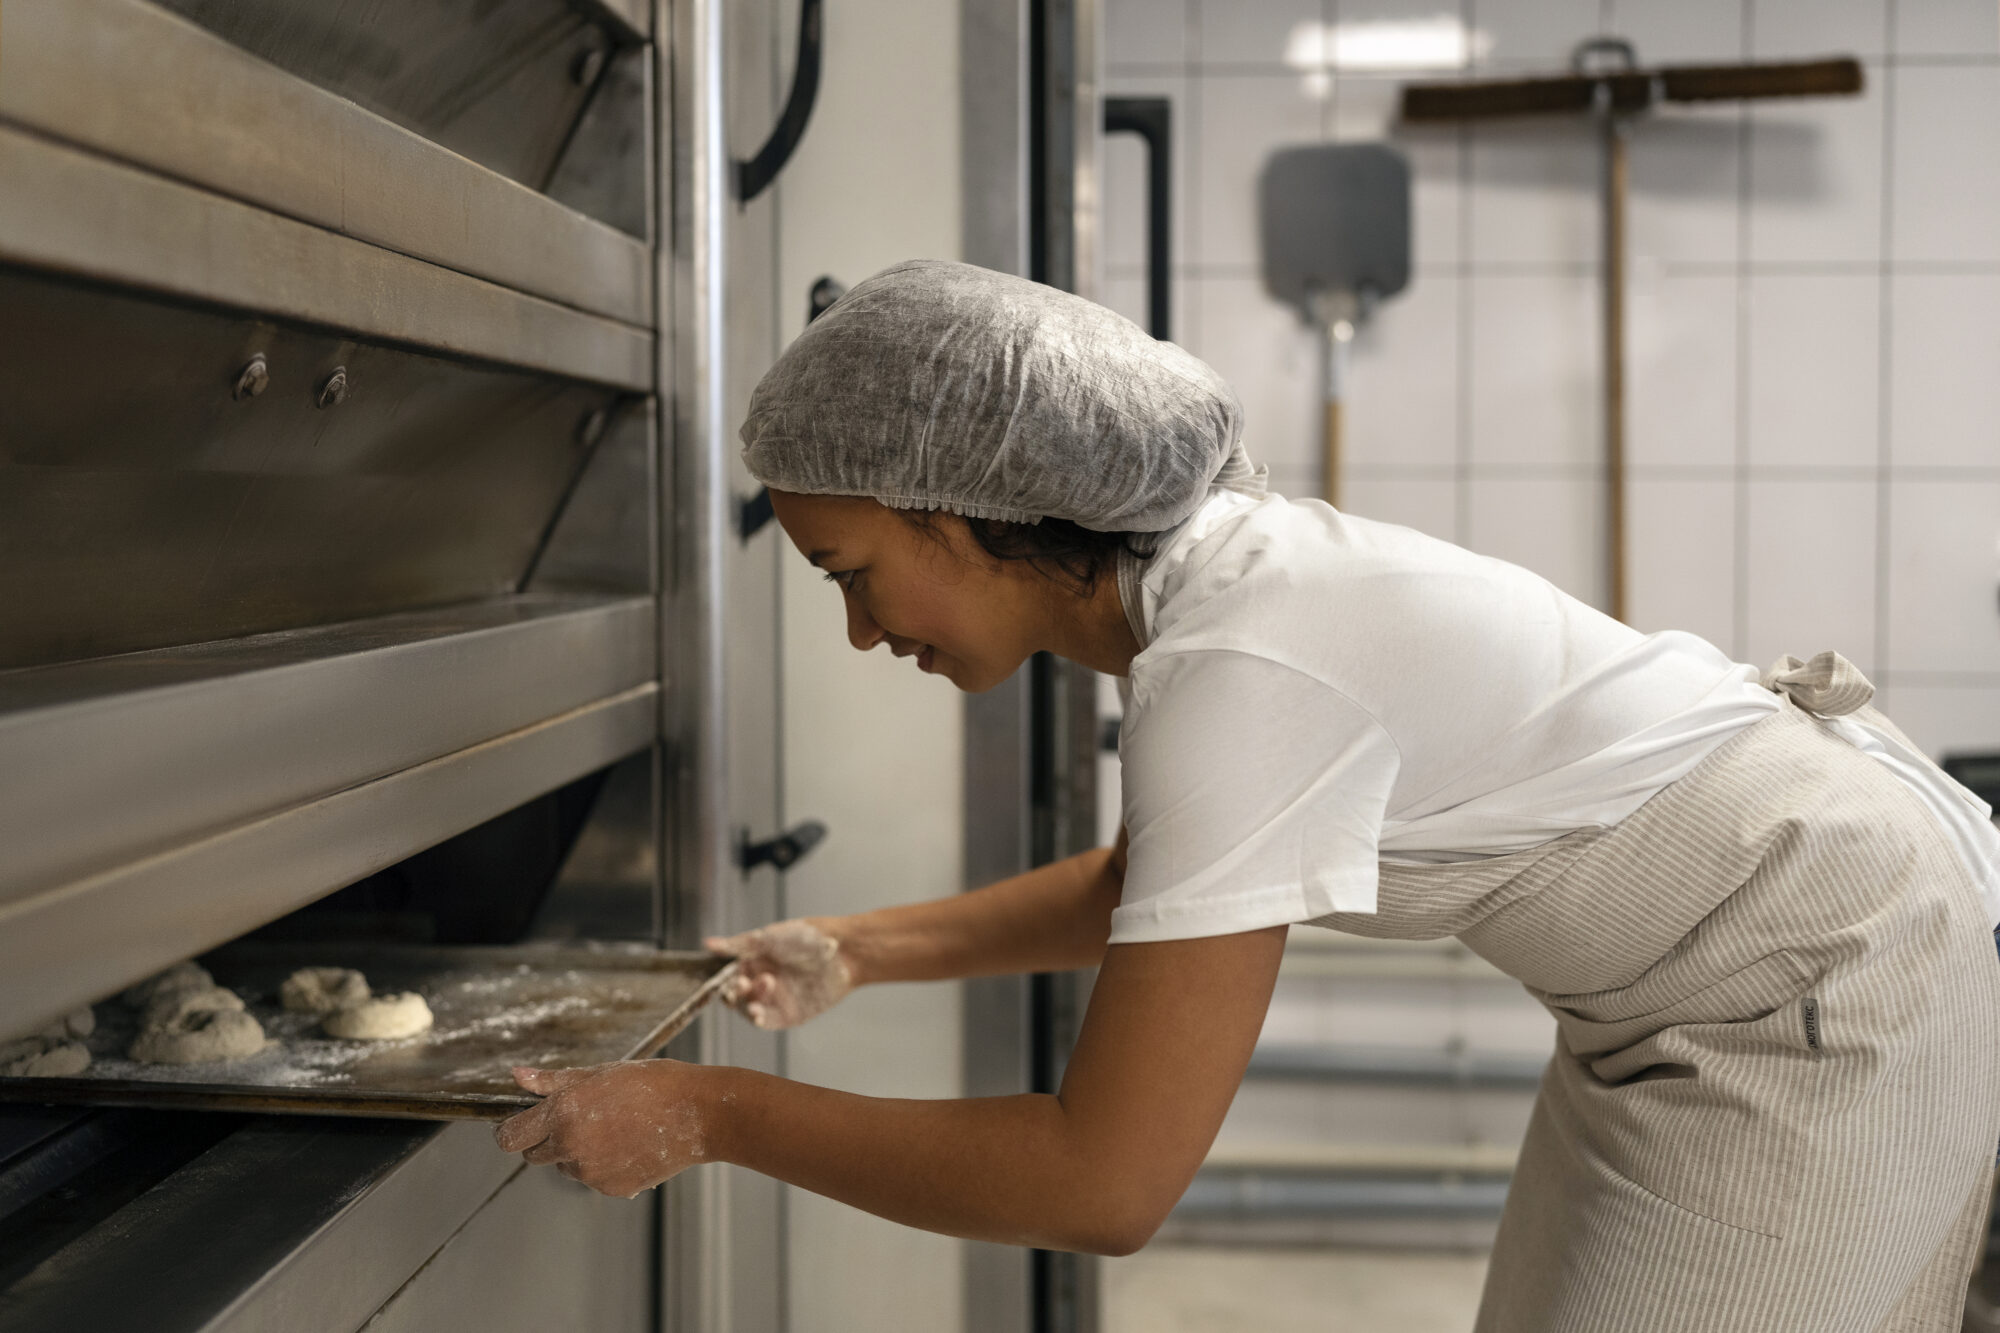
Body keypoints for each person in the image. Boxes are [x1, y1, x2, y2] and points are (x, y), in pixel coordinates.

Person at [496, 259, 2000, 1331]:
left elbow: (1104, 1182)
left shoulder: (1240, 669)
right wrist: (864, 946)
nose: (861, 630)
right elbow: (1148, 893)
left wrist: (711, 1111)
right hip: (1693, 987)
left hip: (1819, 982)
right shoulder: (1220, 595)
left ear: (953, 513)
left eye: (853, 575)